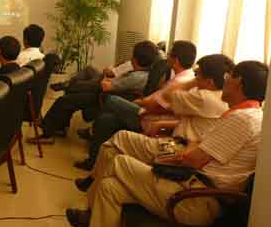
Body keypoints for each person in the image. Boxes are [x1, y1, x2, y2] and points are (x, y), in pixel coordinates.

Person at [66, 61, 267, 227]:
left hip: (195, 199)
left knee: (118, 160)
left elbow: (193, 157)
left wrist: (186, 151)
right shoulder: (249, 115)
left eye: (230, 76)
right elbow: (196, 148)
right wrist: (189, 149)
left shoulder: (241, 119)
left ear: (239, 82)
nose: (226, 80)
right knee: (111, 186)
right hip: (192, 185)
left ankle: (90, 214)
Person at [75, 54, 233, 192]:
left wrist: (191, 83)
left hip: (177, 147)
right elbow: (188, 121)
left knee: (118, 129)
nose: (195, 76)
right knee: (110, 149)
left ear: (210, 82)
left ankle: (91, 178)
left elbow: (169, 95)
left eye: (198, 75)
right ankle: (93, 183)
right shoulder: (216, 97)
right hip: (177, 140)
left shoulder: (204, 97)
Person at [75, 40, 197, 170]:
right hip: (145, 110)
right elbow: (157, 96)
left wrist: (142, 103)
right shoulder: (183, 77)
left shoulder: (181, 82)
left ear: (176, 60)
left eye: (169, 54)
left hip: (148, 118)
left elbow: (159, 107)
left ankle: (89, 122)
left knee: (109, 99)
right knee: (106, 119)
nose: (167, 57)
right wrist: (143, 100)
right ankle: (93, 162)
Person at [29, 40, 158, 144]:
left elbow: (106, 86)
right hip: (107, 94)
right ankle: (60, 125)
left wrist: (107, 78)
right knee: (74, 93)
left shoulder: (137, 77)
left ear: (135, 58)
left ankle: (47, 133)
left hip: (104, 97)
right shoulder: (142, 73)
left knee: (64, 100)